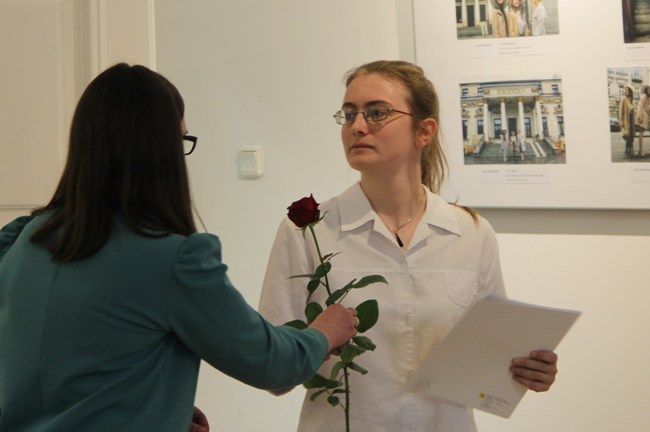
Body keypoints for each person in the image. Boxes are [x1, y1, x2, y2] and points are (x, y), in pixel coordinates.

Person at [0, 63, 359, 431]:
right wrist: (324, 332)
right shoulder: (171, 258)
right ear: (160, 152)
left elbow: (74, 367)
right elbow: (268, 363)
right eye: (181, 140)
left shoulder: (23, 239)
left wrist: (157, 404)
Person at [259, 60, 559, 431]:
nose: (358, 126)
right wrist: (319, 339)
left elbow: (491, 358)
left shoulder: (470, 232)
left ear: (424, 130)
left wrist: (527, 370)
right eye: (349, 113)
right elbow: (270, 368)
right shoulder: (309, 231)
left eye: (377, 112)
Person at [620, 84, 636, 157]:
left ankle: (630, 151)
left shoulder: (631, 100)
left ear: (630, 91)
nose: (625, 91)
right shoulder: (623, 99)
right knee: (627, 137)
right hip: (626, 121)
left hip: (631, 121)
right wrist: (621, 121)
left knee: (631, 137)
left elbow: (633, 111)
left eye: (627, 90)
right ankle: (627, 151)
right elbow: (621, 111)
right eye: (625, 90)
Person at [635, 85, 649, 158]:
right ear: (646, 90)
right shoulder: (644, 96)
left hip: (644, 117)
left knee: (641, 134)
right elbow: (640, 106)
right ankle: (641, 151)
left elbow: (646, 108)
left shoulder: (647, 98)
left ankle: (641, 150)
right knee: (641, 134)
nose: (649, 90)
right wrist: (640, 117)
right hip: (642, 118)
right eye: (648, 89)